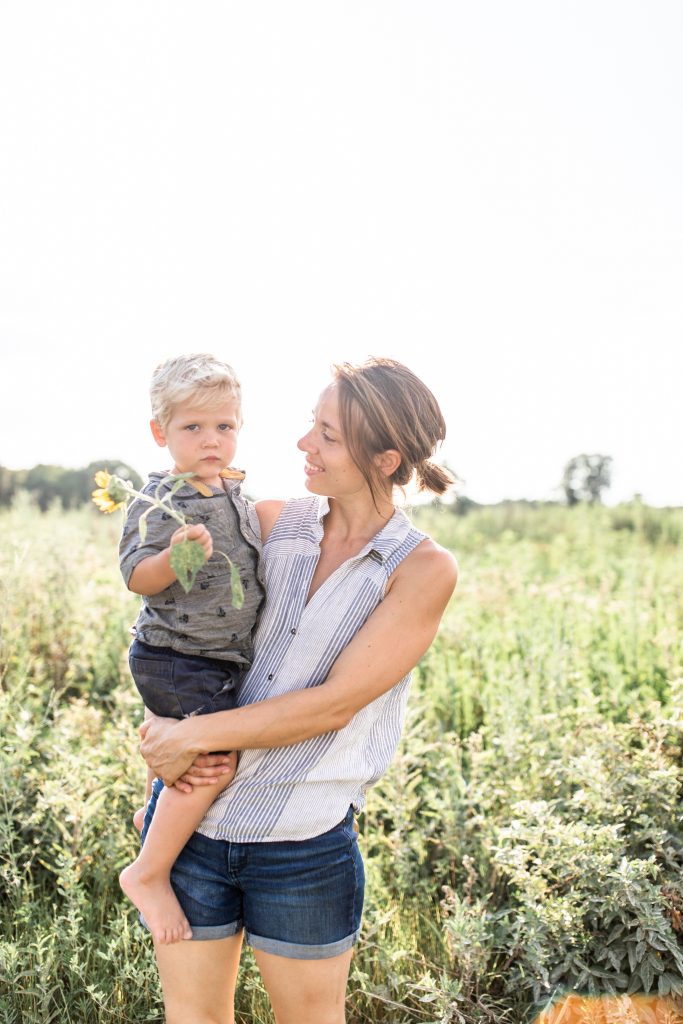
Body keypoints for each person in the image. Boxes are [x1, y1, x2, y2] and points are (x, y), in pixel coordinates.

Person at [138, 357, 458, 1024]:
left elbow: (332, 706)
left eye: (327, 434)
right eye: (311, 425)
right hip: (195, 826)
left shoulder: (420, 569)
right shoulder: (267, 520)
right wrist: (158, 730)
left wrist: (187, 737)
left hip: (301, 846)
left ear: (384, 457)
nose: (302, 444)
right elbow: (177, 628)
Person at [118, 353, 265, 945]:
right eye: (193, 428)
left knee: (195, 757)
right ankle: (148, 872)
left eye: (224, 426)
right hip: (178, 656)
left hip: (212, 657)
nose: (212, 440)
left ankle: (154, 816)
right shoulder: (161, 498)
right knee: (211, 764)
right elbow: (135, 576)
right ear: (161, 433)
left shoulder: (231, 488)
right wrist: (174, 559)